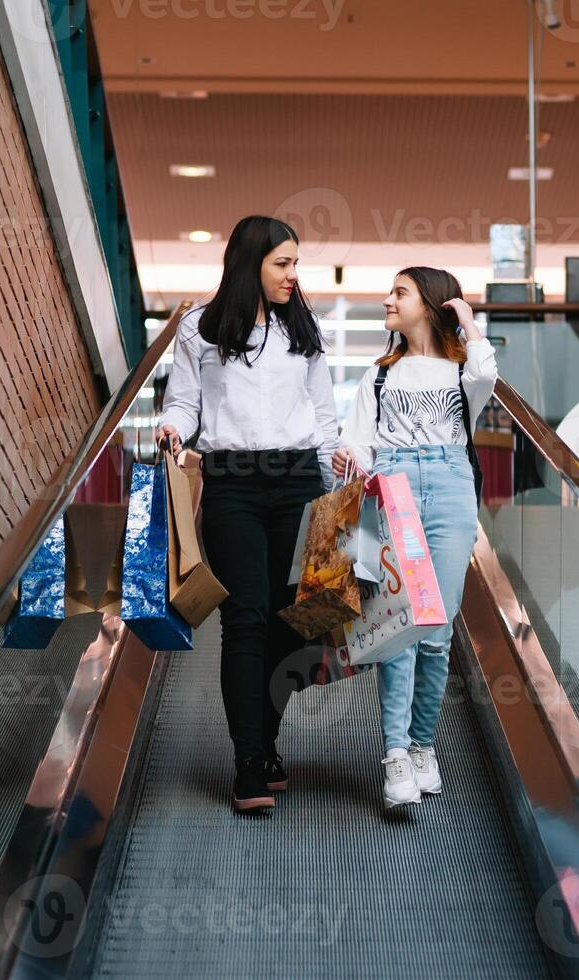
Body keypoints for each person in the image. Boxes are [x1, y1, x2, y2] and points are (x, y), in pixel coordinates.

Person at [157, 215, 339, 814]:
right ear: (249, 264)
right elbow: (185, 404)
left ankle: (266, 744)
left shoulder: (302, 329)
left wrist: (334, 491)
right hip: (232, 484)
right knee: (246, 619)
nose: (293, 275)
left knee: (295, 620)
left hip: (298, 481)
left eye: (295, 264)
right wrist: (171, 429)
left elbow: (323, 413)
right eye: (282, 263)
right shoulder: (198, 331)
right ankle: (247, 761)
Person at [332, 267, 497, 809]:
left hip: (450, 492)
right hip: (392, 492)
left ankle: (425, 745)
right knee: (401, 623)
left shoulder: (459, 372)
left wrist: (468, 322)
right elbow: (357, 441)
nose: (387, 300)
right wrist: (349, 457)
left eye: (399, 292)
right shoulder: (379, 376)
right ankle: (396, 754)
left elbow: (487, 376)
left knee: (438, 625)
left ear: (428, 303)